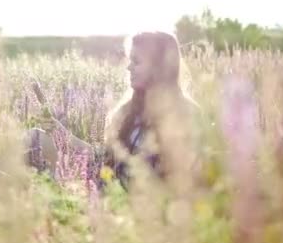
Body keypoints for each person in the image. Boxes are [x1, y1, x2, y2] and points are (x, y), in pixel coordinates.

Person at [26, 31, 206, 192]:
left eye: (136, 61)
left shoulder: (187, 114)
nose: (129, 67)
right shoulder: (130, 111)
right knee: (35, 138)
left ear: (159, 67)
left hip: (128, 205)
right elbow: (103, 159)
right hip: (107, 186)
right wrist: (59, 133)